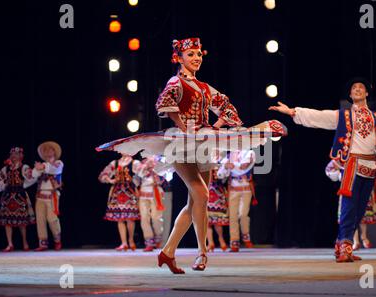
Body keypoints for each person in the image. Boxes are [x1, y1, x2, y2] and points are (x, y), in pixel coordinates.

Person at [96, 37, 287, 274]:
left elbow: (227, 107)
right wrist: (183, 125)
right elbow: (165, 102)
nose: (196, 58)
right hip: (180, 143)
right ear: (179, 58)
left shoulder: (205, 88)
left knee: (196, 201)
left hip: (203, 142)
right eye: (191, 55)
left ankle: (167, 252)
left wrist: (215, 126)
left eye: (199, 55)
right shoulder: (175, 82)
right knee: (201, 193)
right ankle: (202, 252)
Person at [270, 78, 376, 262]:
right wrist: (293, 112)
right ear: (350, 95)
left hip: (370, 166)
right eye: (354, 88)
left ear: (366, 93)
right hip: (351, 165)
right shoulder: (344, 116)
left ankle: (342, 244)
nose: (357, 89)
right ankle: (345, 246)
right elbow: (319, 117)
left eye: (361, 87)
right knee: (349, 208)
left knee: (359, 210)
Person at [0, 147, 35, 252]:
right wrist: (2, 185)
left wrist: (24, 185)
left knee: (22, 221)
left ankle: (25, 243)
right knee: (7, 221)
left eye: (16, 154)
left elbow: (31, 177)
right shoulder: (6, 168)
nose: (13, 156)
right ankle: (10, 244)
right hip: (7, 196)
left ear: (20, 156)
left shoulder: (23, 167)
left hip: (19, 196)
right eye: (12, 154)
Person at [99, 155, 140, 251]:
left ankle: (131, 240)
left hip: (130, 192)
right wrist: (110, 180)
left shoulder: (134, 163)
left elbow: (141, 176)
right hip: (117, 192)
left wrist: (134, 182)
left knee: (130, 218)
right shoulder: (115, 163)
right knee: (119, 218)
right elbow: (103, 175)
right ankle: (124, 242)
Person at [218, 150, 257, 252]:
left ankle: (245, 235)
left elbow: (243, 167)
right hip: (233, 189)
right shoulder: (228, 156)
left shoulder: (250, 152)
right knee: (233, 216)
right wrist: (225, 167)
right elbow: (220, 175)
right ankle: (234, 242)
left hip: (246, 189)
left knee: (243, 214)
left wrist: (232, 165)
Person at [32, 141, 64, 251]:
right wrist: (37, 169)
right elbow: (33, 175)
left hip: (52, 195)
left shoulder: (59, 163)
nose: (47, 152)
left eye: (49, 149)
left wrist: (42, 166)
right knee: (40, 220)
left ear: (54, 152)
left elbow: (53, 169)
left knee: (52, 219)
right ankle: (43, 243)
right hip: (40, 195)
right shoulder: (41, 165)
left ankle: (57, 240)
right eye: (45, 150)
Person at [134, 156, 165, 252]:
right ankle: (149, 241)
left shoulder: (159, 162)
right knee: (144, 218)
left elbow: (164, 177)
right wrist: (146, 165)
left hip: (156, 192)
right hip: (144, 192)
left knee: (156, 217)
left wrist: (155, 167)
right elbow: (136, 177)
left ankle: (158, 237)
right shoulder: (139, 164)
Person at [206, 165, 230, 252]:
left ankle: (219, 240)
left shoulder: (221, 164)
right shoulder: (216, 164)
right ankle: (212, 242)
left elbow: (224, 179)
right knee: (208, 221)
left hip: (215, 193)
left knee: (216, 221)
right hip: (210, 193)